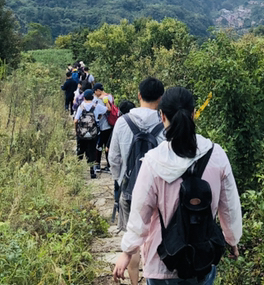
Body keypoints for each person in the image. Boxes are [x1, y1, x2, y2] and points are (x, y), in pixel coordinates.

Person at [112, 87, 242, 285]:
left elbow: (140, 212)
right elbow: (229, 206)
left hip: (162, 261)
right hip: (202, 258)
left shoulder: (154, 161)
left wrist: (128, 252)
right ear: (193, 114)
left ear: (162, 116)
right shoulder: (216, 154)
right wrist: (232, 240)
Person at [108, 77, 165, 284]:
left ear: (139, 95)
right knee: (155, 237)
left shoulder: (123, 122)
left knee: (132, 238)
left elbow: (113, 158)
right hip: (159, 192)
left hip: (130, 190)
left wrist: (121, 180)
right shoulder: (164, 123)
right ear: (161, 98)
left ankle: (134, 282)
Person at [73, 89, 107, 179]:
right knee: (92, 151)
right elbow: (106, 110)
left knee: (80, 151)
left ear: (84, 97)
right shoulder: (97, 106)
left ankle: (77, 171)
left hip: (82, 133)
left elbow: (76, 120)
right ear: (92, 97)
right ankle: (92, 172)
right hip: (93, 133)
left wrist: (76, 131)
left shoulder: (81, 107)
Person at [93, 83, 115, 171]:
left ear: (98, 90)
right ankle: (108, 165)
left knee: (99, 145)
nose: (94, 93)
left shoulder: (102, 99)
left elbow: (106, 110)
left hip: (103, 125)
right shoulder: (110, 96)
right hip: (109, 125)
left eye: (95, 91)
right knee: (107, 145)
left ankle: (97, 164)